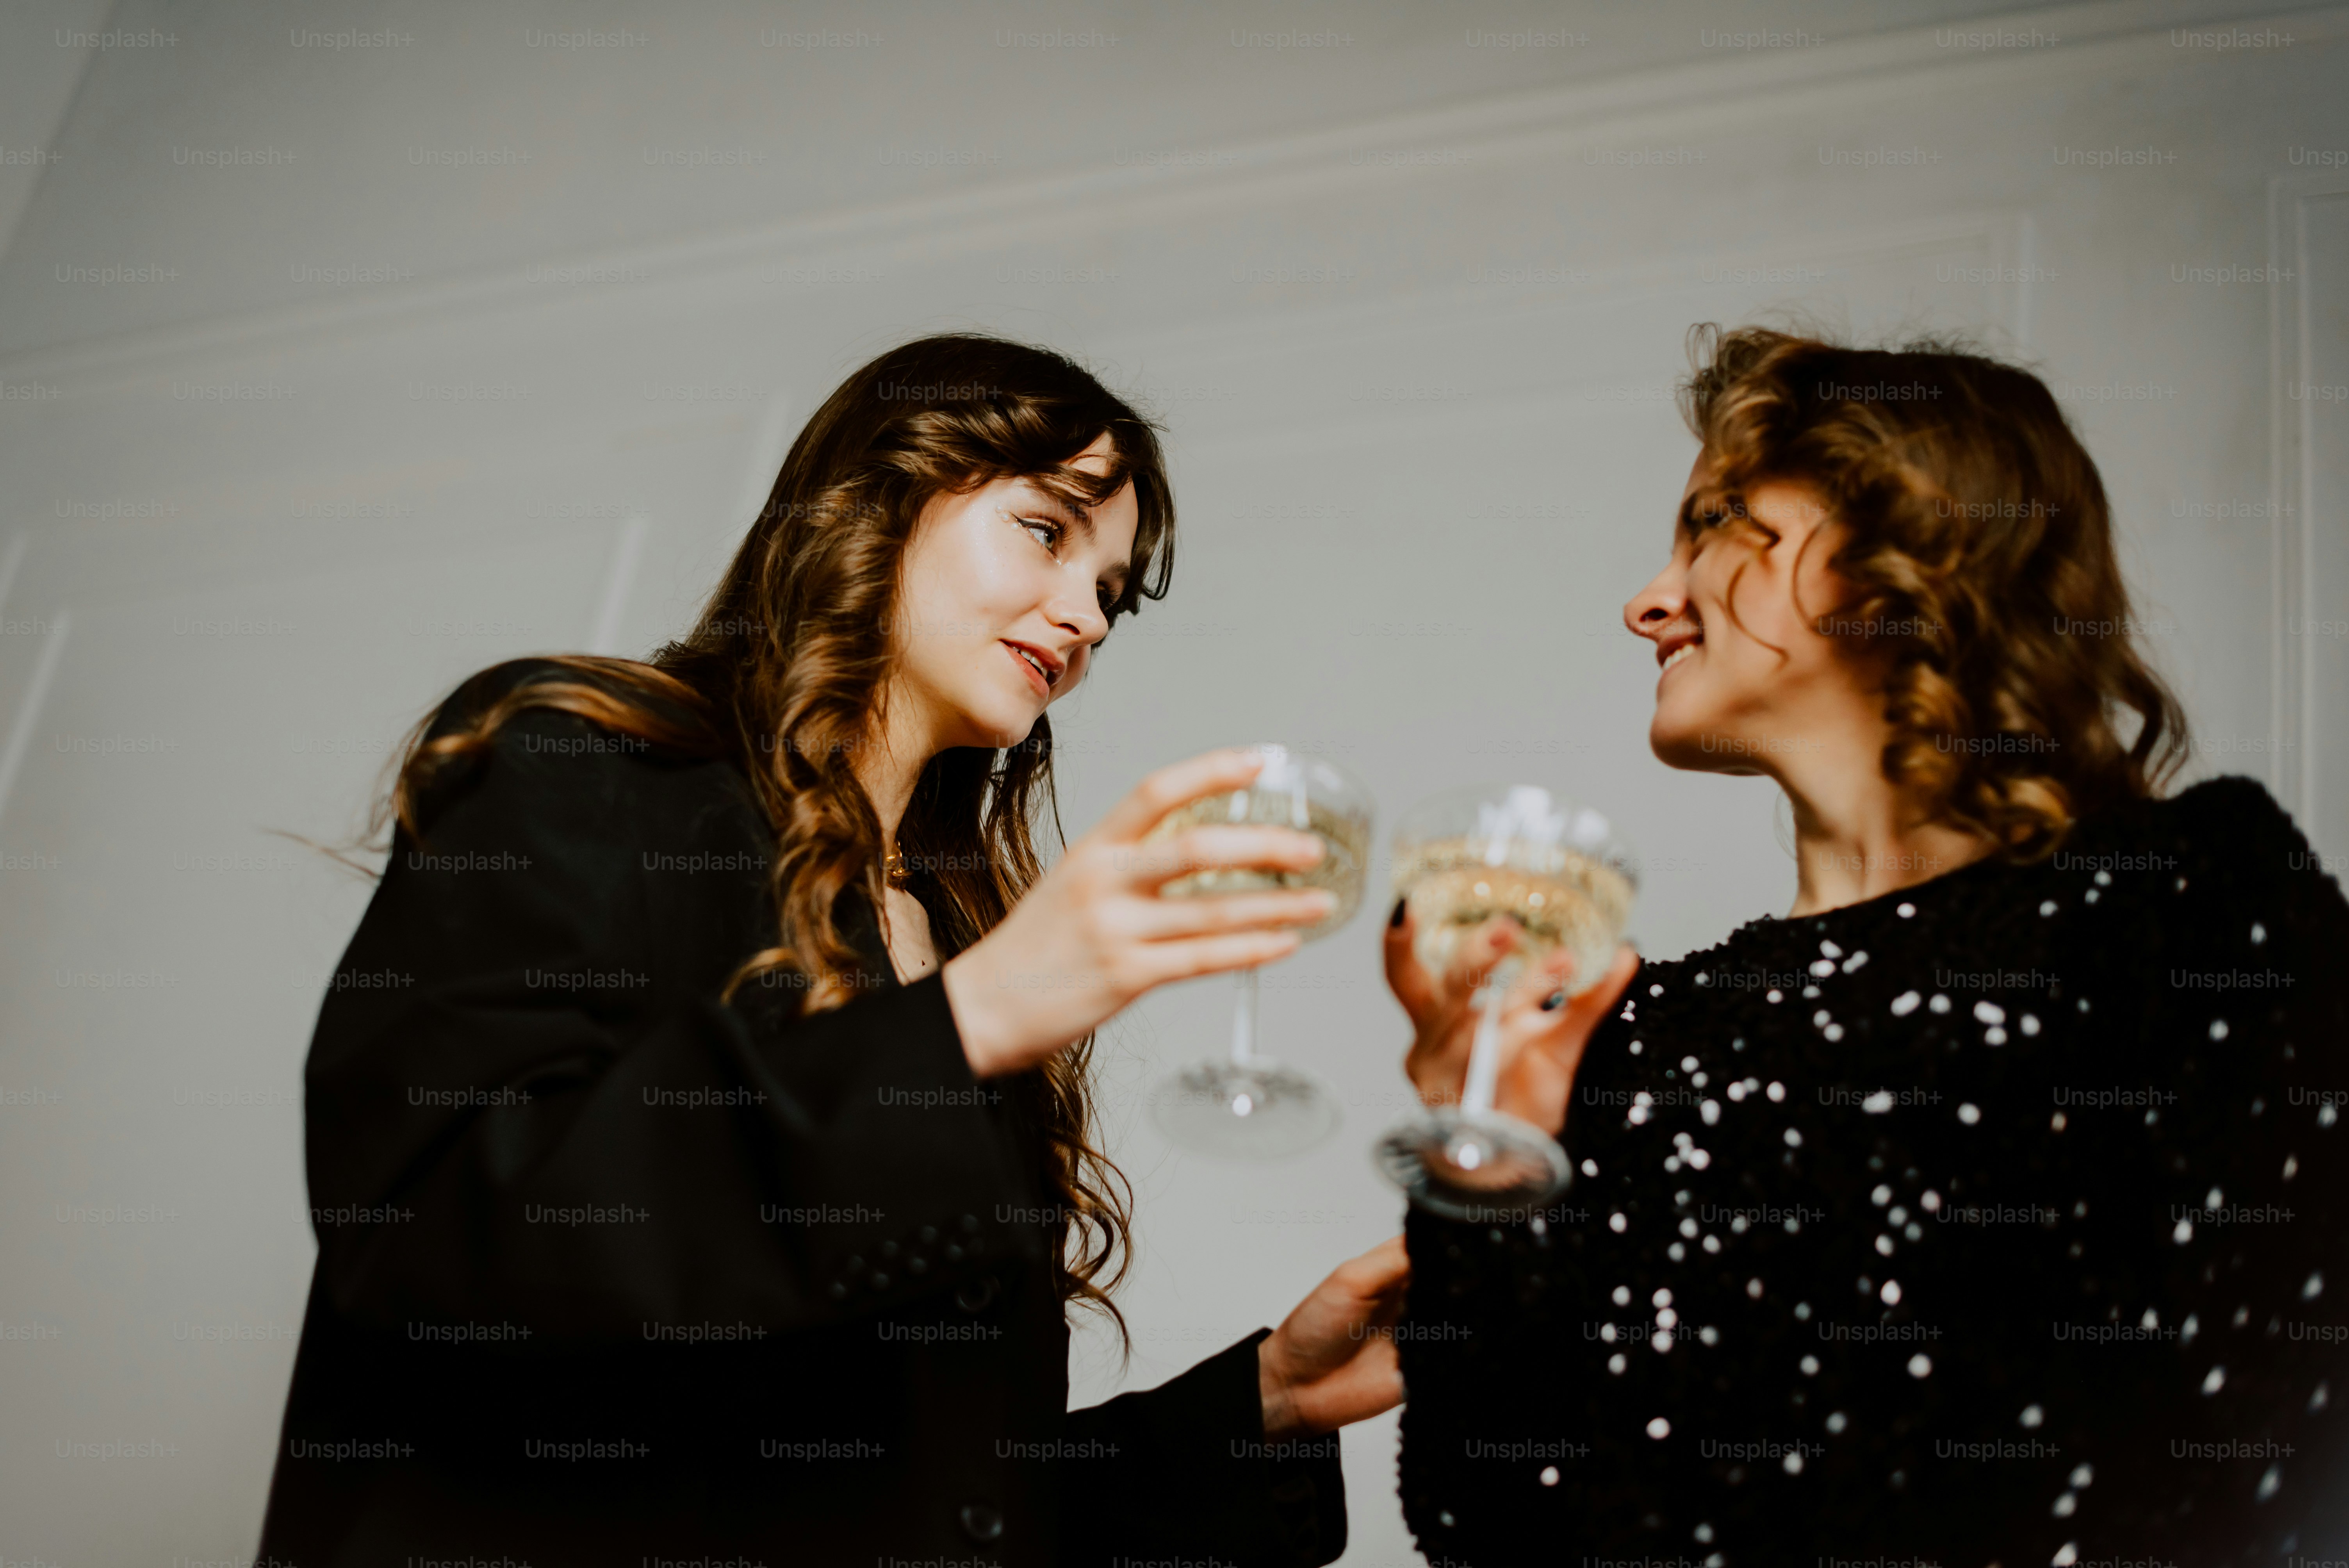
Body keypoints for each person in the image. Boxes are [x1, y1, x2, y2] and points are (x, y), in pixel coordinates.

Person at [257, 333, 1408, 1568]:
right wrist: (964, 1024)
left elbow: (932, 1497)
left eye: (1113, 593)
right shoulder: (590, 763)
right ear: (886, 491)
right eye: (1046, 530)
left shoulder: (957, 941)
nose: (1083, 617)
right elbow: (431, 1228)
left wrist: (1265, 1404)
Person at [1382, 326, 2349, 1563]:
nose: (1648, 602)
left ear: (1911, 545)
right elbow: (1494, 1517)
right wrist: (1483, 1151)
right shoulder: (1638, 1029)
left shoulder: (2186, 896)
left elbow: (2290, 1401)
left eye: (1718, 523)